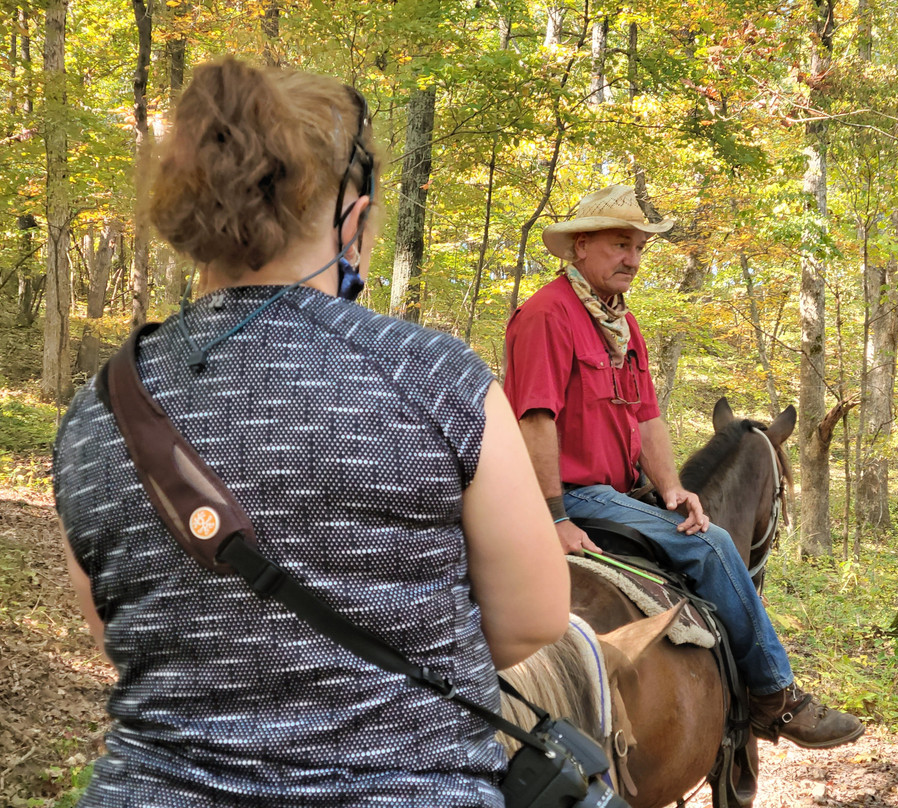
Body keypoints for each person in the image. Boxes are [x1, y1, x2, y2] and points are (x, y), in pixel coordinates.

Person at [53, 57, 569, 808]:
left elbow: (114, 631)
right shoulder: (436, 379)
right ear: (350, 221)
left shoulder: (98, 411)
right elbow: (532, 620)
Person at [503, 184, 864, 750]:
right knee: (714, 544)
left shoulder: (622, 322)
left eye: (640, 248)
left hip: (619, 488)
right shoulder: (548, 315)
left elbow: (647, 418)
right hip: (570, 494)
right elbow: (534, 422)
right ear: (579, 247)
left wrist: (672, 489)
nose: (634, 260)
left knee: (695, 520)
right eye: (622, 245)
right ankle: (777, 697)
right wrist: (553, 517)